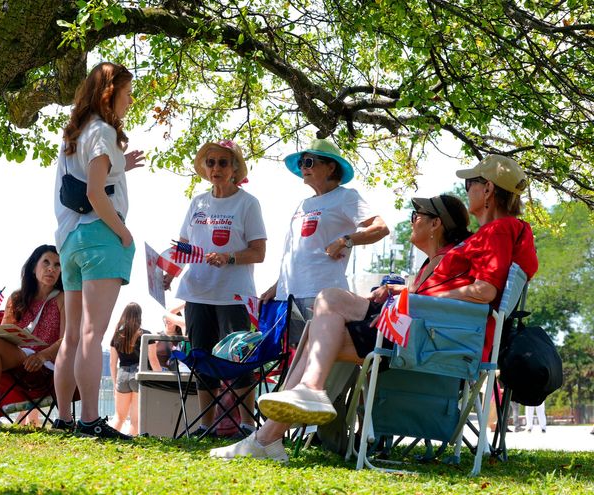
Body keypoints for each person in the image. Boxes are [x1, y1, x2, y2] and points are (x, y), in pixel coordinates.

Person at [212, 181, 527, 462]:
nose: (412, 219)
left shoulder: (486, 237)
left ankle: (283, 419)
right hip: (414, 331)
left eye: (418, 215)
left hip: (423, 342)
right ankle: (271, 434)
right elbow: (447, 294)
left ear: (436, 224)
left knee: (329, 306)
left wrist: (408, 298)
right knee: (321, 327)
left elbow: (481, 293)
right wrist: (403, 292)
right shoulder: (446, 258)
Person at [52, 62, 145, 439]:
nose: (130, 100)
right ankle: (90, 419)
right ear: (110, 95)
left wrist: (123, 166)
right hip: (99, 236)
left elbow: (85, 182)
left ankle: (64, 417)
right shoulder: (104, 132)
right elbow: (94, 193)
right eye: (127, 93)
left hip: (70, 240)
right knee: (92, 333)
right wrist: (123, 233)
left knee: (72, 335)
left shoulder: (75, 134)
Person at [163, 139, 267, 439]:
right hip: (197, 293)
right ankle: (206, 426)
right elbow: (184, 248)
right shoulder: (197, 202)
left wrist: (229, 257)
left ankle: (247, 426)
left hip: (233, 295)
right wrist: (169, 273)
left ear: (235, 167)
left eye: (223, 162)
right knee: (201, 357)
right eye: (211, 162)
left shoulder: (248, 203)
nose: (216, 168)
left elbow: (259, 252)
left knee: (238, 359)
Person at [261, 138, 389, 323]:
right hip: (287, 295)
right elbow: (296, 253)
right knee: (292, 352)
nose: (304, 168)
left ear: (330, 167)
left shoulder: (346, 196)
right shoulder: (302, 204)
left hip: (321, 293)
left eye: (309, 162)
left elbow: (381, 228)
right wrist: (277, 285)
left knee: (316, 350)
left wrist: (345, 240)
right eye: (301, 163)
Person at [0, 244, 64, 425]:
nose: (51, 269)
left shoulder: (64, 298)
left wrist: (42, 355)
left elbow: (67, 339)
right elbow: (4, 332)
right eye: (46, 262)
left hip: (44, 361)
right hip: (17, 353)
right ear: (33, 268)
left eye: (57, 265)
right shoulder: (17, 298)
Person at [109, 303, 161, 435]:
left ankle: (109, 441)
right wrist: (160, 379)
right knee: (136, 420)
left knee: (119, 417)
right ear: (139, 316)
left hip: (122, 375)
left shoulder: (116, 336)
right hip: (139, 375)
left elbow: (112, 363)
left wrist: (115, 384)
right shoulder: (146, 335)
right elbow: (153, 360)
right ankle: (131, 444)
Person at [155, 304, 185, 370]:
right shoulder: (156, 337)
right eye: (167, 318)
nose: (168, 320)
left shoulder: (183, 338)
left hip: (180, 375)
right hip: (160, 375)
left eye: (171, 318)